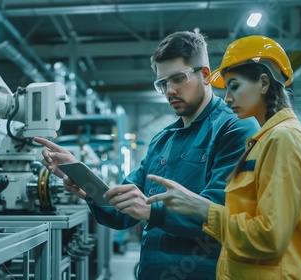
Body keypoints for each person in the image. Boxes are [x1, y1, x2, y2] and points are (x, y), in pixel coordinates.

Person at [34, 28, 259, 280]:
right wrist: (85, 183)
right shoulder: (162, 141)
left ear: (205, 75)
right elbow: (121, 211)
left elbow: (222, 214)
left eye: (178, 79)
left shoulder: (236, 128)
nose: (169, 91)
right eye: (162, 83)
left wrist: (153, 213)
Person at [146, 35, 301, 279]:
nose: (227, 98)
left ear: (263, 83)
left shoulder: (284, 139)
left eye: (234, 86)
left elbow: (269, 237)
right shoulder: (263, 141)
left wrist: (203, 209)